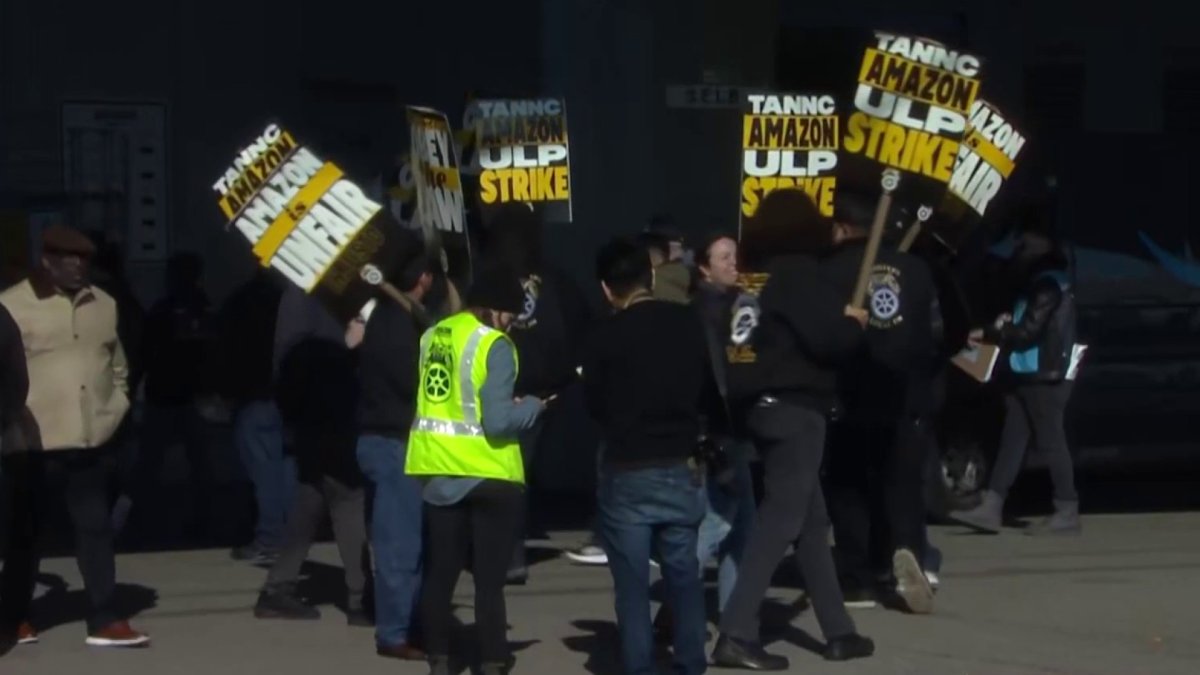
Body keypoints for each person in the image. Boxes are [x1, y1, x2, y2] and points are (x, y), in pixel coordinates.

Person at [710, 190, 873, 670]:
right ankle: (737, 632)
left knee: (810, 521)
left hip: (756, 407)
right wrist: (855, 324)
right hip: (796, 409)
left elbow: (737, 348)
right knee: (780, 519)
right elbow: (830, 339)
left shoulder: (751, 283)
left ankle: (839, 630)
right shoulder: (799, 275)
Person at [0, 224, 150, 648]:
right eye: (70, 261)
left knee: (96, 530)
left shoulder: (103, 304)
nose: (79, 268)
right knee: (24, 537)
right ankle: (14, 619)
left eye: (85, 261)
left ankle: (105, 617)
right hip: (32, 444)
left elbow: (117, 363)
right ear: (47, 260)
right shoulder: (12, 306)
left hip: (89, 441)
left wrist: (115, 405)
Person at [582, 237, 714, 675]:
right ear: (652, 276)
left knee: (632, 584)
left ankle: (638, 666)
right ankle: (691, 662)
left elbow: (594, 406)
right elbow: (708, 390)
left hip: (627, 469)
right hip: (680, 463)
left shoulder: (604, 335)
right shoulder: (687, 323)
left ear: (606, 288)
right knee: (683, 576)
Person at [407, 266, 545, 675]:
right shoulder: (494, 345)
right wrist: (533, 406)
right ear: (496, 310)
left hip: (438, 471)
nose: (513, 323)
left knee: (440, 574)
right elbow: (498, 422)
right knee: (488, 581)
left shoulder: (433, 335)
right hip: (490, 473)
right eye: (511, 315)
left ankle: (440, 658)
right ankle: (492, 659)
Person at [823, 191, 938, 614]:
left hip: (849, 394)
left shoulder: (829, 270)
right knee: (902, 486)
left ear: (841, 228)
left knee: (849, 488)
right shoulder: (917, 269)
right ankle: (904, 553)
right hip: (906, 395)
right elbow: (940, 330)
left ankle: (856, 575)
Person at [652, 232, 756, 643]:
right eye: (724, 257)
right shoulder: (712, 313)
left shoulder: (728, 307)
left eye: (735, 255)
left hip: (724, 432)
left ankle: (734, 622)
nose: (734, 263)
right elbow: (719, 381)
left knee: (742, 531)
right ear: (704, 267)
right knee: (715, 526)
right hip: (719, 433)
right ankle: (679, 610)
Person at [480, 202, 590, 583]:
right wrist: (565, 381)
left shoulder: (485, 278)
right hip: (542, 394)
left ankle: (503, 553)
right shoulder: (554, 279)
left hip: (495, 387)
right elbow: (580, 328)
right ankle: (509, 552)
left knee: (501, 475)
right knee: (518, 474)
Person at [951, 227, 1080, 535]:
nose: (1020, 247)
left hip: (1043, 376)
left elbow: (1028, 332)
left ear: (1045, 248)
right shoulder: (1039, 284)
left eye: (1027, 242)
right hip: (1027, 372)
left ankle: (1067, 508)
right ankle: (992, 505)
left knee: (1051, 441)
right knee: (1013, 440)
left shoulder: (1047, 286)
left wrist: (993, 332)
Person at [254, 287, 371, 624]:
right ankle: (360, 595)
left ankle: (278, 588)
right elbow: (295, 361)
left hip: (326, 414)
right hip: (321, 415)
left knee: (313, 498)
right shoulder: (305, 298)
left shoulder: (322, 297)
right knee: (347, 496)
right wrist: (348, 346)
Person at [356, 237, 435, 661]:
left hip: (382, 439)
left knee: (401, 540)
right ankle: (395, 631)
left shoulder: (386, 317)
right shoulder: (401, 325)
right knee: (400, 546)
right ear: (423, 279)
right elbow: (412, 383)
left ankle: (406, 622)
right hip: (394, 442)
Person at [130, 252, 218, 541]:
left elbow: (144, 353)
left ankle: (142, 519)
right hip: (195, 397)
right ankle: (203, 519)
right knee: (201, 465)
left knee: (149, 464)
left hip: (163, 395)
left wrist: (133, 388)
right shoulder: (205, 309)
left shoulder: (162, 309)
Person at [220, 269, 291, 564]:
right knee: (286, 471)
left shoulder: (241, 302)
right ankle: (288, 537)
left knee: (263, 472)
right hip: (288, 396)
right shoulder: (295, 302)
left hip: (254, 396)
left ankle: (270, 538)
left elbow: (226, 349)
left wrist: (224, 390)